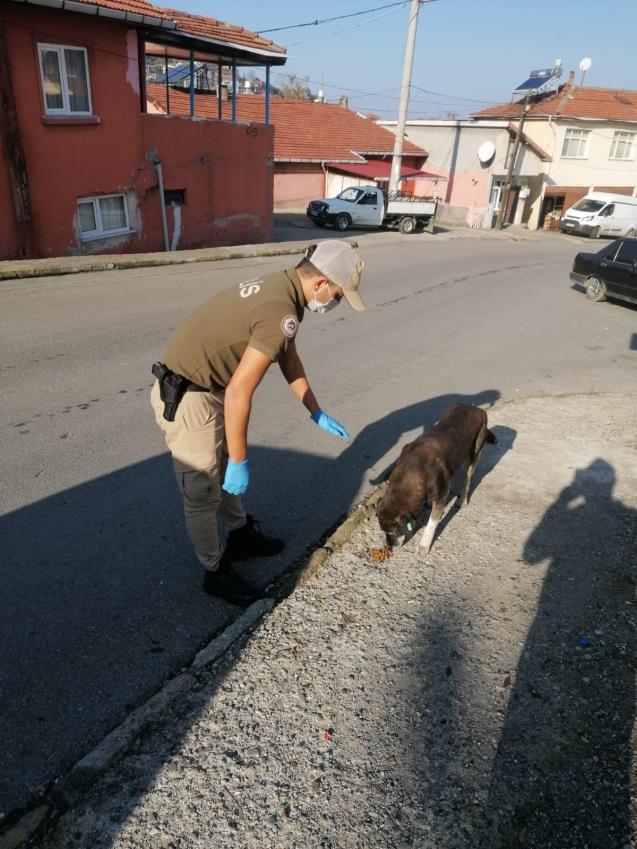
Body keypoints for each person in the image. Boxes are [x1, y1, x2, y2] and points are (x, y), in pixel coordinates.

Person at [150, 240, 366, 606]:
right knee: (203, 490)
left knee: (223, 474)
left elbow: (289, 359)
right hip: (189, 396)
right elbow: (238, 394)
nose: (336, 302)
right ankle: (215, 572)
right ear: (320, 284)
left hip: (207, 388)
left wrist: (315, 410)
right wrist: (240, 459)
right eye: (339, 295)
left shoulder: (283, 286)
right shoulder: (280, 310)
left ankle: (239, 535)